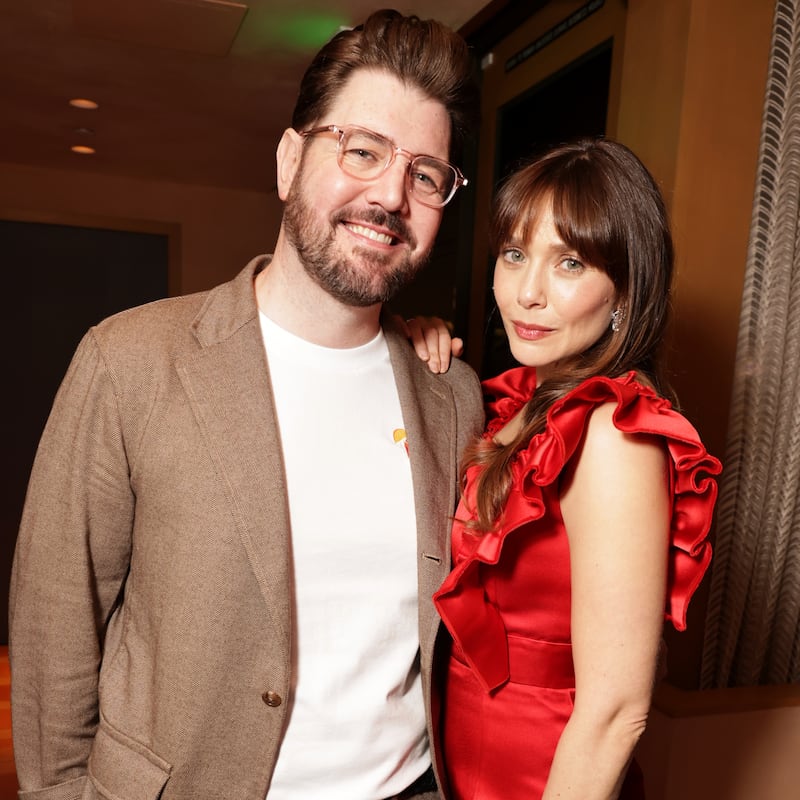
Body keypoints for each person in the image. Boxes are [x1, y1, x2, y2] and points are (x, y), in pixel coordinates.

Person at [8, 10, 484, 799]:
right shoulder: (128, 361)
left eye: (426, 175)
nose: (390, 196)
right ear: (290, 159)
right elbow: (55, 625)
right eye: (361, 150)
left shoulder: (454, 398)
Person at [427, 138, 722, 799]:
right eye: (514, 254)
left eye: (569, 263)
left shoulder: (614, 433)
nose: (527, 293)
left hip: (544, 773)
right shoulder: (514, 403)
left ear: (624, 290)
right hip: (460, 758)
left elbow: (618, 711)